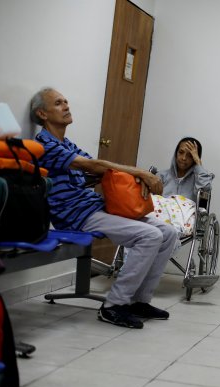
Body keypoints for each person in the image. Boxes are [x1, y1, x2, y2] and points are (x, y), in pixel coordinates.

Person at [31, 87, 178, 329]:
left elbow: (101, 171)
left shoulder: (66, 143)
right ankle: (113, 306)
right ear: (42, 114)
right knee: (150, 235)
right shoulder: (44, 144)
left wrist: (134, 179)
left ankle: (139, 301)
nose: (66, 106)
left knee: (168, 233)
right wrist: (139, 172)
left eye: (66, 101)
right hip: (76, 215)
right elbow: (93, 164)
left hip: (93, 207)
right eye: (58, 103)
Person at [150, 137, 214, 238]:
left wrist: (198, 163)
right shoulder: (162, 176)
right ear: (176, 153)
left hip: (183, 220)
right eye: (181, 152)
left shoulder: (199, 179)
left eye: (190, 155)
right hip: (159, 218)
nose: (184, 158)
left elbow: (205, 190)